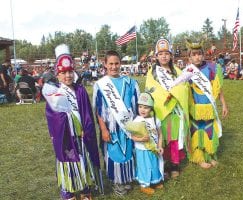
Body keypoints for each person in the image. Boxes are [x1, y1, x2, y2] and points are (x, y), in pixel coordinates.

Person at [42, 44, 103, 200]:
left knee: (83, 159)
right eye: (63, 73)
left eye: (70, 72)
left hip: (81, 135)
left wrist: (86, 129)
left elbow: (87, 112)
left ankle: (84, 188)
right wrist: (63, 124)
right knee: (67, 161)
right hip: (65, 137)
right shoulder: (54, 92)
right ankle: (68, 190)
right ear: (57, 74)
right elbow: (51, 116)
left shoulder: (80, 90)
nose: (67, 76)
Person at [93, 50, 140, 196]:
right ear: (105, 65)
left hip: (128, 125)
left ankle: (127, 178)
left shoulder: (131, 82)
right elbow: (98, 110)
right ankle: (117, 182)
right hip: (111, 127)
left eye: (116, 63)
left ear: (121, 63)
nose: (114, 67)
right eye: (111, 64)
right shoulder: (100, 85)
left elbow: (137, 105)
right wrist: (103, 129)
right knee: (115, 153)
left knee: (128, 151)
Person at [145, 38, 190, 179]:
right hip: (161, 110)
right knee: (162, 138)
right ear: (156, 56)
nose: (164, 56)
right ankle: (163, 164)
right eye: (161, 53)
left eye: (166, 53)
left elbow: (184, 87)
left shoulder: (176, 71)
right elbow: (150, 89)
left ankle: (175, 164)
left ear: (171, 55)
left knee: (174, 138)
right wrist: (165, 96)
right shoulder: (152, 72)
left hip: (175, 111)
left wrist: (175, 94)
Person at [184, 40, 228, 169]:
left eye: (199, 54)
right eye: (194, 54)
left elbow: (218, 88)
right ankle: (199, 157)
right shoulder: (187, 71)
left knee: (209, 130)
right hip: (195, 108)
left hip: (209, 107)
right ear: (190, 57)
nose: (197, 57)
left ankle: (209, 155)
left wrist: (224, 104)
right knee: (197, 131)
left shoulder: (212, 68)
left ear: (203, 55)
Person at [128, 92, 164, 195]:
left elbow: (160, 135)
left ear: (151, 108)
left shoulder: (156, 120)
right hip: (141, 150)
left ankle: (155, 181)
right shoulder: (136, 120)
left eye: (146, 107)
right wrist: (141, 139)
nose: (142, 110)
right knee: (144, 166)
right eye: (140, 107)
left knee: (154, 165)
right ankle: (144, 185)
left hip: (153, 149)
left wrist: (160, 146)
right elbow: (132, 136)